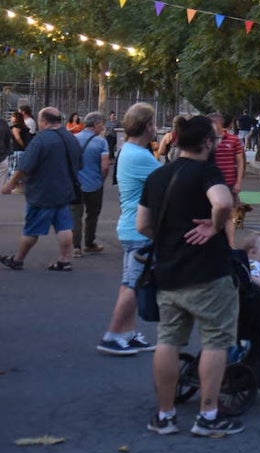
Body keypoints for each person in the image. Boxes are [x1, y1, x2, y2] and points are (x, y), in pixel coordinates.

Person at [139, 115, 243, 437]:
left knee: (167, 340)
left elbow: (142, 225)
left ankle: (165, 414)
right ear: (207, 143)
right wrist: (214, 224)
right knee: (215, 341)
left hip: (168, 272)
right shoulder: (207, 171)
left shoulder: (158, 177)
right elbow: (223, 201)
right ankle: (208, 414)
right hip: (207, 272)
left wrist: (169, 234)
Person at [96, 103, 160, 356]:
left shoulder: (130, 150)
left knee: (131, 283)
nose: (156, 129)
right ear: (146, 126)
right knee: (134, 284)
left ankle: (128, 332)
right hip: (139, 230)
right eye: (154, 123)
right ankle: (112, 334)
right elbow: (168, 181)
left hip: (132, 227)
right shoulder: (140, 156)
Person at [0, 108, 82, 271]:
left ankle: (18, 259)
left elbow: (25, 165)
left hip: (42, 191)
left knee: (32, 229)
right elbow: (79, 164)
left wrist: (10, 183)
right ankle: (64, 260)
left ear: (44, 121)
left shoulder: (41, 140)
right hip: (65, 190)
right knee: (64, 226)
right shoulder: (71, 138)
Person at [71, 112, 112, 256]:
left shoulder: (74, 139)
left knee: (76, 215)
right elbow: (105, 166)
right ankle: (89, 242)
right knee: (92, 214)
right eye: (102, 123)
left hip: (76, 184)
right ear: (96, 125)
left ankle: (76, 247)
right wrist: (102, 179)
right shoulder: (101, 142)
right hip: (94, 183)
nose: (103, 126)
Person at [8, 109, 32, 183]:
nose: (11, 118)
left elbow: (17, 138)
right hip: (23, 151)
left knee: (14, 169)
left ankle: (13, 184)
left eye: (12, 117)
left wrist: (22, 145)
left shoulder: (15, 127)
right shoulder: (25, 128)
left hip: (16, 150)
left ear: (16, 118)